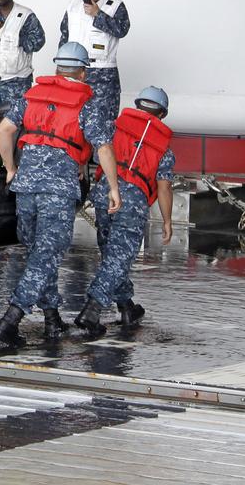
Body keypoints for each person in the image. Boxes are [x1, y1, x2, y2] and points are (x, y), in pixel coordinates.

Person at [0, 42, 119, 346]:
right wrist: (113, 187)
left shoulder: (32, 95)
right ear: (83, 72)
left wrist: (10, 168)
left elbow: (4, 131)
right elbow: (103, 147)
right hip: (57, 191)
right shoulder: (87, 104)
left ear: (58, 68)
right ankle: (10, 320)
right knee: (46, 257)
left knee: (38, 253)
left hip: (26, 188)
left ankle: (52, 320)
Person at [75, 86, 175, 338]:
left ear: (138, 105)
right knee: (118, 259)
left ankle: (126, 307)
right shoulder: (164, 148)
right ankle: (91, 311)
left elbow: (96, 148)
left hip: (104, 193)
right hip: (132, 203)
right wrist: (167, 221)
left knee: (112, 254)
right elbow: (164, 188)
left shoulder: (114, 127)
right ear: (162, 114)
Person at [58, 0, 130, 124]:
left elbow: (122, 30)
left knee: (104, 123)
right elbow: (64, 37)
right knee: (71, 121)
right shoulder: (73, 6)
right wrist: (62, 70)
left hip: (103, 74)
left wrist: (98, 14)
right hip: (74, 73)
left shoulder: (115, 5)